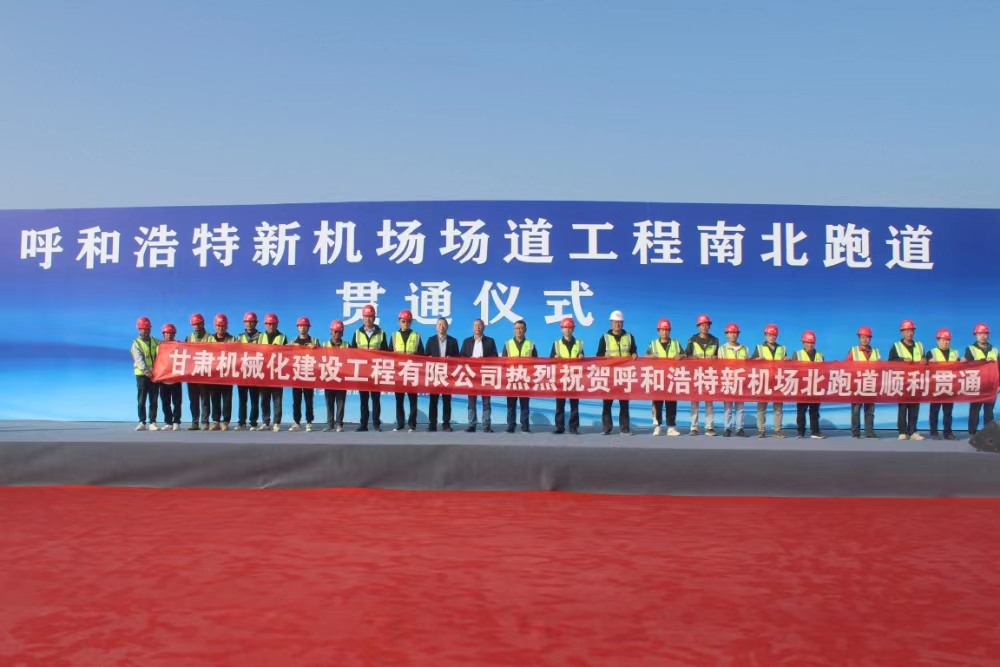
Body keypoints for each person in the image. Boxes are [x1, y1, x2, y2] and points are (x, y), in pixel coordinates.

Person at [596, 310, 637, 435]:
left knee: (624, 403)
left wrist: (634, 354)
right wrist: (604, 356)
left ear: (622, 323)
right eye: (615, 322)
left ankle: (624, 428)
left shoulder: (629, 337)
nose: (617, 324)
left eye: (619, 322)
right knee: (607, 403)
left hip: (624, 375)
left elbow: (633, 351)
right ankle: (607, 428)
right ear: (611, 323)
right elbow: (598, 355)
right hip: (609, 375)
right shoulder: (605, 337)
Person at [351, 304, 389, 432]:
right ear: (363, 318)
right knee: (363, 399)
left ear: (374, 317)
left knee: (376, 399)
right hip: (362, 371)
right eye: (366, 317)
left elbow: (386, 352)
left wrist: (377, 353)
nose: (368, 319)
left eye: (370, 316)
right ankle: (363, 424)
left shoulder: (381, 333)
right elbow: (352, 352)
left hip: (375, 370)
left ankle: (376, 424)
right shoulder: (357, 333)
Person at [888, 319, 926, 440]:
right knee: (903, 407)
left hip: (916, 381)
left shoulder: (919, 346)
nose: (910, 333)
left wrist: (924, 359)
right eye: (907, 331)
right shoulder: (896, 346)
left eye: (912, 331)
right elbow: (890, 362)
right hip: (903, 382)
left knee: (914, 408)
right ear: (902, 332)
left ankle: (913, 431)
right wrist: (902, 360)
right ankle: (902, 431)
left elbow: (924, 359)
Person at [390, 309, 425, 432]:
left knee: (413, 401)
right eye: (403, 321)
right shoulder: (394, 336)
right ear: (399, 321)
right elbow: (388, 354)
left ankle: (412, 424)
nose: (406, 323)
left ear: (411, 322)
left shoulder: (416, 336)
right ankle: (400, 424)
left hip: (411, 372)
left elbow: (422, 354)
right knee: (399, 400)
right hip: (399, 373)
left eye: (408, 321)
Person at [461, 319, 498, 432]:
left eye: (480, 325)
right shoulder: (467, 341)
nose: (478, 327)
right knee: (471, 401)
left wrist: (485, 360)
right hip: (471, 374)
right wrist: (469, 359)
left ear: (483, 327)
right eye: (476, 325)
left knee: (486, 401)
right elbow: (461, 357)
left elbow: (495, 356)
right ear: (473, 327)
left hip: (485, 374)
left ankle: (486, 425)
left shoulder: (490, 341)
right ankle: (471, 424)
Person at [646, 318, 682, 436]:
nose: (665, 332)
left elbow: (684, 355)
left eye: (667, 330)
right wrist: (651, 356)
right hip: (658, 377)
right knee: (657, 403)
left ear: (670, 331)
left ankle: (671, 427)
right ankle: (657, 426)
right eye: (662, 330)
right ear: (658, 331)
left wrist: (681, 356)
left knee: (671, 403)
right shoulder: (653, 344)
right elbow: (645, 356)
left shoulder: (675, 343)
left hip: (671, 377)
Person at [502, 319, 537, 433]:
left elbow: (536, 362)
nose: (519, 331)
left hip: (525, 378)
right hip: (512, 378)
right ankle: (511, 425)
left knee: (524, 404)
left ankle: (525, 426)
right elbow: (503, 362)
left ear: (525, 330)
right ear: (514, 330)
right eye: (517, 328)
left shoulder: (530, 344)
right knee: (511, 404)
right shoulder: (508, 344)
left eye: (521, 328)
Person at [685, 315, 718, 436]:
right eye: (702, 325)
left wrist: (716, 357)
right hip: (695, 374)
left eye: (706, 325)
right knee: (695, 402)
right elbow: (686, 355)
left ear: (709, 326)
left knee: (709, 402)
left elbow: (718, 357)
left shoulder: (715, 340)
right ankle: (694, 427)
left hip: (709, 374)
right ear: (698, 326)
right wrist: (691, 357)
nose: (704, 327)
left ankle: (709, 427)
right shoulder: (692, 340)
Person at [752, 324, 787, 438]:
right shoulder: (759, 347)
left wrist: (788, 360)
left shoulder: (782, 348)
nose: (771, 337)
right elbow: (750, 363)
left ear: (776, 336)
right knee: (762, 407)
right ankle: (761, 430)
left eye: (773, 335)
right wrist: (757, 360)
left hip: (778, 381)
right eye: (769, 335)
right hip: (764, 381)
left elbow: (787, 364)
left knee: (778, 407)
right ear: (765, 335)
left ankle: (777, 430)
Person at [425, 317, 459, 432]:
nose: (441, 326)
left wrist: (452, 359)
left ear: (447, 327)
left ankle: (446, 424)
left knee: (446, 401)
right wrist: (429, 358)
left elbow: (458, 358)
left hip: (447, 375)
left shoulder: (453, 341)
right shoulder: (431, 340)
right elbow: (425, 356)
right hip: (434, 374)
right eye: (439, 324)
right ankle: (432, 424)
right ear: (436, 327)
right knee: (433, 401)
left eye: (444, 324)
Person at [551, 317, 583, 435]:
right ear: (562, 329)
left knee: (574, 404)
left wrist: (581, 357)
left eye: (569, 327)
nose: (567, 330)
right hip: (561, 378)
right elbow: (550, 360)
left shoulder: (579, 344)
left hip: (574, 378)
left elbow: (582, 359)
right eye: (565, 327)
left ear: (573, 329)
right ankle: (559, 427)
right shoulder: (556, 344)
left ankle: (573, 427)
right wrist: (554, 358)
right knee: (560, 404)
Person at [965, 323, 998, 436]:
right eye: (980, 334)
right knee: (974, 410)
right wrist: (984, 361)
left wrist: (999, 384)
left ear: (988, 335)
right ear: (975, 335)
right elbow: (968, 365)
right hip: (976, 384)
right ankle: (972, 433)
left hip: (990, 385)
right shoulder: (970, 349)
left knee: (989, 411)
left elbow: (998, 368)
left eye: (985, 334)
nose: (983, 336)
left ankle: (988, 434)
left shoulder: (994, 350)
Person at [203, 314, 235, 431]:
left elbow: (239, 353)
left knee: (227, 399)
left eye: (223, 326)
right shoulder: (209, 339)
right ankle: (216, 421)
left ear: (226, 326)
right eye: (218, 326)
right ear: (215, 326)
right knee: (214, 398)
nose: (220, 328)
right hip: (214, 374)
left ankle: (225, 421)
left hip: (227, 374)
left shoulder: (233, 339)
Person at [847, 326, 880, 439]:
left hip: (871, 384)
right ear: (859, 338)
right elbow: (847, 367)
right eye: (862, 337)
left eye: (867, 337)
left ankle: (869, 433)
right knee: (856, 411)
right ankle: (855, 433)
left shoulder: (876, 352)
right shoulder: (853, 351)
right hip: (857, 385)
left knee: (870, 411)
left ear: (870, 338)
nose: (865, 339)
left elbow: (880, 368)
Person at [927, 328, 959, 440]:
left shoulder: (955, 353)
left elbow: (961, 368)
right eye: (943, 340)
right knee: (934, 411)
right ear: (938, 341)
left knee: (948, 412)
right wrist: (928, 363)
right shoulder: (931, 352)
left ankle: (948, 432)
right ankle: (934, 432)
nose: (946, 342)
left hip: (949, 386)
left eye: (948, 340)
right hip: (936, 386)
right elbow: (924, 368)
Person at [289, 317, 320, 432]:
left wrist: (316, 349)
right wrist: (286, 348)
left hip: (309, 374)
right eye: (300, 326)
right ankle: (297, 422)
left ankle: (309, 422)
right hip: (297, 374)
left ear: (308, 327)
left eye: (305, 326)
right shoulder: (293, 341)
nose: (302, 328)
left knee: (308, 400)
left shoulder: (314, 341)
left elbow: (321, 356)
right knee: (296, 400)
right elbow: (287, 355)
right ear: (297, 327)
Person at [258, 313, 287, 432]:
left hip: (276, 373)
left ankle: (276, 423)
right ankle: (266, 422)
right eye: (269, 324)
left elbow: (287, 354)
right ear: (265, 325)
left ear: (277, 324)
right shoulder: (260, 337)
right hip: (264, 373)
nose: (271, 326)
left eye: (273, 324)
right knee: (264, 400)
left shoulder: (282, 337)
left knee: (277, 400)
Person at [794, 330, 826, 439]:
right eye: (807, 342)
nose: (810, 345)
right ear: (803, 343)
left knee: (814, 411)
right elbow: (793, 371)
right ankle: (800, 431)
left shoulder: (820, 355)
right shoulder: (797, 354)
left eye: (812, 343)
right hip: (802, 387)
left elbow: (823, 371)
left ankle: (815, 431)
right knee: (801, 411)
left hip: (815, 387)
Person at [718, 323, 748, 438]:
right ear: (726, 334)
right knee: (728, 407)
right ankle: (727, 428)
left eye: (735, 333)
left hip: (740, 381)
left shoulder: (744, 348)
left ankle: (739, 428)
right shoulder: (722, 349)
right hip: (728, 380)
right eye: (730, 333)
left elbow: (748, 366)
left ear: (738, 334)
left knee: (740, 408)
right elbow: (719, 366)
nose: (733, 335)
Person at [234, 312, 261, 432]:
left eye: (251, 321)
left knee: (254, 400)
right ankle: (241, 422)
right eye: (247, 322)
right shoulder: (239, 337)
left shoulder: (261, 337)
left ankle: (253, 423)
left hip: (255, 371)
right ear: (244, 323)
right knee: (242, 400)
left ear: (255, 323)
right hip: (243, 373)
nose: (249, 324)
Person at [131, 316, 160, 431]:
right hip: (142, 375)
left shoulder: (155, 341)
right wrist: (146, 371)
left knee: (154, 400)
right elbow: (139, 359)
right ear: (139, 329)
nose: (146, 331)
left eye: (148, 328)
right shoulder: (136, 343)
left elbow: (162, 353)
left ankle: (152, 422)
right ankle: (142, 422)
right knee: (142, 399)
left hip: (155, 375)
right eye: (144, 329)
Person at [185, 313, 211, 430]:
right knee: (193, 399)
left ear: (203, 323)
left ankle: (205, 422)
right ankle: (194, 422)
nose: (197, 326)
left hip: (204, 373)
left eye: (199, 323)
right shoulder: (189, 338)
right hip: (192, 374)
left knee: (205, 399)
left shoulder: (210, 338)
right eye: (194, 324)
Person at [322, 320, 348, 432]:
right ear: (331, 332)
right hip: (329, 377)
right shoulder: (324, 345)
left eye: (339, 332)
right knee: (329, 402)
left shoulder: (347, 345)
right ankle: (330, 424)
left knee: (340, 402)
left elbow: (351, 360)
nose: (337, 334)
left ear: (342, 333)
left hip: (341, 378)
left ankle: (339, 424)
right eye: (335, 331)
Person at [159, 323, 182, 431]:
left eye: (171, 333)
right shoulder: (159, 346)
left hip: (175, 379)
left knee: (177, 402)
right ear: (163, 334)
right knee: (165, 403)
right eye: (167, 333)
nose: (169, 335)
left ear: (174, 334)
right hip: (163, 379)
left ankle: (176, 422)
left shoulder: (179, 345)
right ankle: (168, 422)